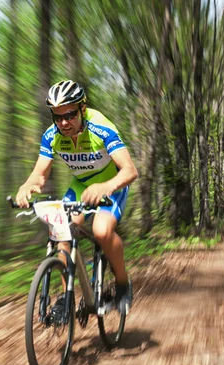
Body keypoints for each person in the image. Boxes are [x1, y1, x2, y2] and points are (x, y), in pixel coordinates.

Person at [16, 79, 138, 314]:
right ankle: (66, 297)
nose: (63, 122)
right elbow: (39, 175)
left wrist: (107, 186)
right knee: (61, 230)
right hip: (81, 185)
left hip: (112, 183)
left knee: (102, 231)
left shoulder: (102, 127)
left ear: (82, 108)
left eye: (70, 115)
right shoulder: (52, 135)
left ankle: (123, 283)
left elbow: (130, 171)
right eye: (57, 116)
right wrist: (27, 186)